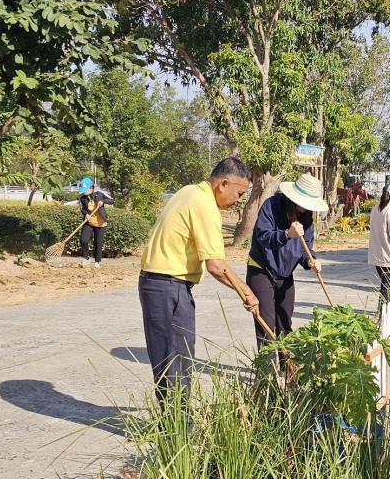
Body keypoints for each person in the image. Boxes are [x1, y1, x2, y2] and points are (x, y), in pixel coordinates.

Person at [137, 158, 259, 399]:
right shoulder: (204, 204)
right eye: (239, 194)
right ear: (223, 183)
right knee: (172, 364)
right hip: (166, 286)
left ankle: (178, 425)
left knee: (178, 360)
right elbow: (216, 265)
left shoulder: (189, 191)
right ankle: (176, 430)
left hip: (165, 284)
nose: (238, 201)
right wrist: (247, 292)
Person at [246, 173, 329, 352]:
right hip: (262, 269)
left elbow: (304, 248)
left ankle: (287, 371)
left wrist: (311, 261)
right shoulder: (272, 206)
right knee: (266, 326)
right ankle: (267, 376)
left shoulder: (306, 218)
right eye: (304, 203)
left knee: (285, 323)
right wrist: (286, 234)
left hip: (284, 274)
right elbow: (262, 237)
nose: (306, 208)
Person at [77, 177, 113, 268]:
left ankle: (97, 261)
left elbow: (112, 200)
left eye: (85, 190)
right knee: (83, 240)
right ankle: (86, 258)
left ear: (91, 188)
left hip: (100, 224)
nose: (83, 192)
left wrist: (103, 201)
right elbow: (83, 209)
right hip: (89, 222)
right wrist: (85, 214)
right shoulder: (82, 198)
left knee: (98, 243)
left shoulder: (99, 194)